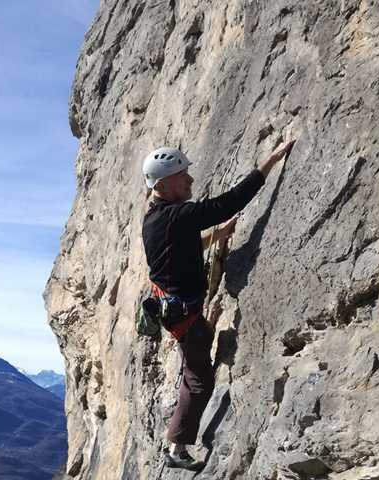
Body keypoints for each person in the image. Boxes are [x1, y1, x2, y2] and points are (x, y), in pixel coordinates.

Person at [141, 138, 296, 472]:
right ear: (165, 182)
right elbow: (228, 203)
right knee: (199, 380)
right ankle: (178, 447)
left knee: (195, 362)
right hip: (184, 314)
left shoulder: (155, 218)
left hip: (175, 309)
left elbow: (182, 248)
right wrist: (270, 161)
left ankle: (177, 441)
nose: (191, 180)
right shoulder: (178, 215)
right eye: (184, 176)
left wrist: (219, 236)